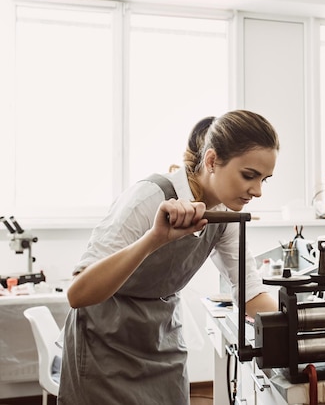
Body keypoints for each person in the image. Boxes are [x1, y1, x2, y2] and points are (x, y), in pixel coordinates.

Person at [58, 110, 280, 404]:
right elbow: (78, 293)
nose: (258, 191)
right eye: (249, 176)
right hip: (104, 344)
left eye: (265, 179)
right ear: (212, 161)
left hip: (161, 339)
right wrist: (154, 239)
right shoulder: (150, 196)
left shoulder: (226, 217)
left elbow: (250, 293)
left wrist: (297, 329)